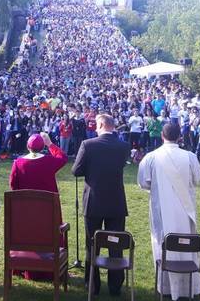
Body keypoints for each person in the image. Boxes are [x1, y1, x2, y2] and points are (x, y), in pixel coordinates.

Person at [137, 123, 200, 300]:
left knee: (163, 244)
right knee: (187, 244)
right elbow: (197, 178)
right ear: (180, 136)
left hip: (161, 209)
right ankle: (188, 287)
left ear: (161, 135)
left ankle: (165, 288)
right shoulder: (190, 156)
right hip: (185, 210)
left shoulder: (151, 157)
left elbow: (143, 182)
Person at [72, 114, 130, 296]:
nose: (95, 129)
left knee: (92, 244)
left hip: (94, 201)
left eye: (96, 126)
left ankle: (93, 285)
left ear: (102, 124)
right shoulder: (124, 146)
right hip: (115, 201)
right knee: (116, 244)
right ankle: (115, 286)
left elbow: (76, 170)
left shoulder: (88, 145)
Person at [9, 132, 68, 280]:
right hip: (48, 209)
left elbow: (13, 185)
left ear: (28, 146)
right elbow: (62, 158)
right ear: (42, 147)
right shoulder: (49, 161)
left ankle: (25, 266)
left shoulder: (18, 162)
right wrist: (50, 144)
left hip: (25, 208)